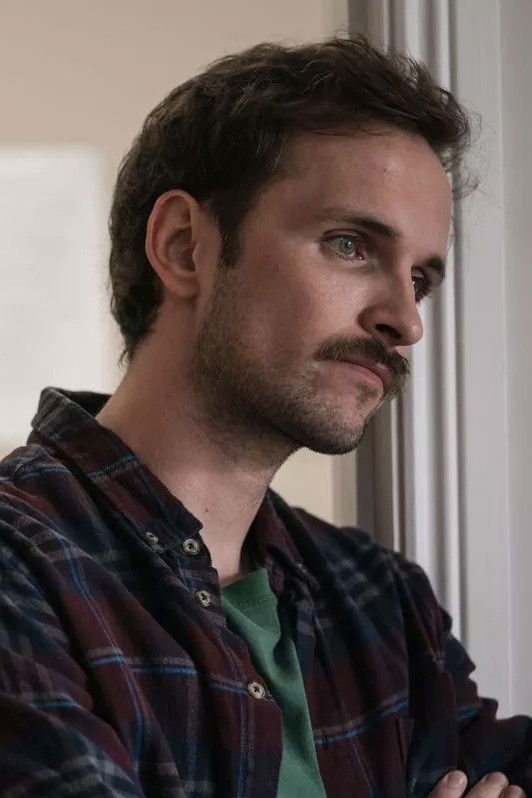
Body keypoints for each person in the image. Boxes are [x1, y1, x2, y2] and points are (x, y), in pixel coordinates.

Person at [0, 34, 529, 798]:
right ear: (185, 246)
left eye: (419, 278)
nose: (406, 320)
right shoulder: (21, 567)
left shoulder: (379, 599)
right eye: (350, 244)